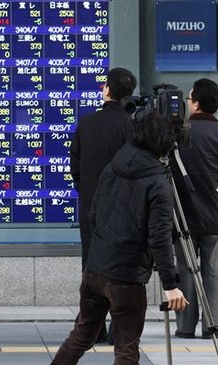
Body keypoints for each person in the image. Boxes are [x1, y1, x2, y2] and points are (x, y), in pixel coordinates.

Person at [52, 110, 188, 365]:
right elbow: (159, 238)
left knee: (81, 335)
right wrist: (170, 285)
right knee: (126, 348)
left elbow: (94, 215)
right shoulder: (158, 183)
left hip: (95, 270)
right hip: (127, 278)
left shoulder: (111, 167)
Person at [70, 67, 137, 343]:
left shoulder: (86, 123)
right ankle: (122, 329)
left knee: (91, 269)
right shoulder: (131, 125)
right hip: (123, 211)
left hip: (90, 209)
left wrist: (87, 191)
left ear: (108, 90)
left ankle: (94, 328)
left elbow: (74, 165)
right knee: (123, 270)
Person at [172, 78, 218, 339]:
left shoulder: (180, 133)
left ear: (197, 103)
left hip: (184, 216)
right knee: (214, 271)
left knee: (186, 270)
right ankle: (213, 325)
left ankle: (185, 326)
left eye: (190, 99)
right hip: (216, 215)